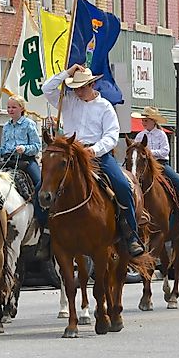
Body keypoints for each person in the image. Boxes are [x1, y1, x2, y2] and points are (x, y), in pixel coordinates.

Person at [42, 64, 144, 257]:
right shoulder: (68, 100)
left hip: (97, 155)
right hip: (70, 154)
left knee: (122, 185)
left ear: (93, 84)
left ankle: (131, 234)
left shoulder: (105, 107)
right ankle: (44, 232)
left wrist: (94, 150)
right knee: (44, 184)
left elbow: (112, 135)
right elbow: (46, 89)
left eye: (83, 87)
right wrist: (67, 73)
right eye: (76, 87)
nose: (79, 91)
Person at [0, 95, 46, 255]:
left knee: (40, 185)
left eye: (13, 107)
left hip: (26, 161)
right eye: (9, 107)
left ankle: (43, 222)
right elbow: (4, 149)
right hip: (8, 161)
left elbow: (36, 146)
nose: (10, 110)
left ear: (21, 109)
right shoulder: (6, 126)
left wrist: (24, 149)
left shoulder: (29, 124)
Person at [132, 106, 179, 224]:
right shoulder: (139, 136)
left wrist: (149, 153)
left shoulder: (161, 134)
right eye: (143, 120)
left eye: (146, 120)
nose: (143, 122)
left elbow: (165, 151)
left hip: (160, 164)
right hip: (144, 165)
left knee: (178, 180)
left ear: (153, 121)